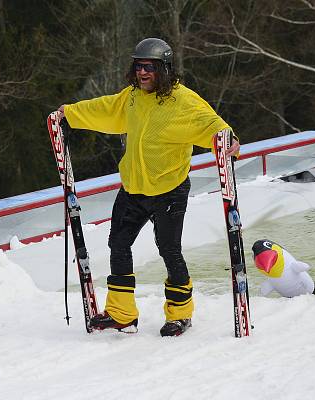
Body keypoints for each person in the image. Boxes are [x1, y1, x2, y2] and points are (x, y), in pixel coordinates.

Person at [58, 37, 240, 337]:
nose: (142, 73)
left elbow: (211, 124)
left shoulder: (184, 101)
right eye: (139, 66)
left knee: (169, 250)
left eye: (150, 68)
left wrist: (228, 139)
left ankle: (180, 314)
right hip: (133, 189)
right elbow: (106, 109)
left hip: (169, 189)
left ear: (165, 69)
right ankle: (121, 313)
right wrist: (72, 113)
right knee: (118, 244)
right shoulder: (132, 98)